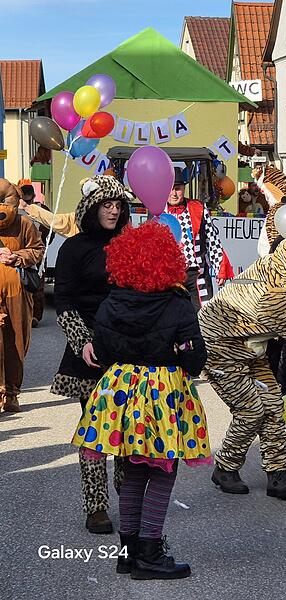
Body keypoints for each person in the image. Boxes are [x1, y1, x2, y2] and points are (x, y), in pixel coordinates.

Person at [71, 221, 208, 579]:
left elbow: (100, 351)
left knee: (132, 470)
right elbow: (195, 358)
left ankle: (128, 553)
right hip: (163, 392)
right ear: (168, 261)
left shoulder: (111, 302)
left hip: (121, 391)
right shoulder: (178, 304)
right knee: (162, 471)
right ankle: (150, 553)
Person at [199, 229, 286, 500]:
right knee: (251, 409)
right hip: (220, 346)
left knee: (273, 406)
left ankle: (278, 475)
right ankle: (225, 467)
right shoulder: (273, 294)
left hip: (251, 347)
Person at [52, 175, 132, 533]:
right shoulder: (74, 248)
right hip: (89, 350)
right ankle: (96, 505)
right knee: (95, 429)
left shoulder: (130, 243)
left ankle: (128, 496)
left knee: (129, 428)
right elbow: (64, 303)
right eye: (106, 204)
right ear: (91, 207)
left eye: (118, 205)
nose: (113, 211)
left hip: (128, 347)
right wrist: (82, 341)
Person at [0, 180, 44, 413]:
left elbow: (38, 250)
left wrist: (17, 256)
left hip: (17, 293)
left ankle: (12, 392)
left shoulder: (24, 224)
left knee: (16, 341)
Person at [167, 169, 233, 310]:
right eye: (170, 189)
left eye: (177, 189)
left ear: (183, 189)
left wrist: (219, 267)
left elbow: (212, 240)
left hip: (196, 274)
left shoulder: (197, 208)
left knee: (203, 315)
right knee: (168, 317)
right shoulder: (158, 211)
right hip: (168, 274)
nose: (174, 194)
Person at [18, 183, 49, 327]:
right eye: (24, 200)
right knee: (22, 285)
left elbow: (51, 228)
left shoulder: (41, 210)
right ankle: (24, 314)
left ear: (34, 197)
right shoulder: (15, 211)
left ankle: (36, 316)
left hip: (39, 252)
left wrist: (43, 242)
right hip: (22, 252)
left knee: (38, 284)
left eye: (29, 200)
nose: (26, 203)